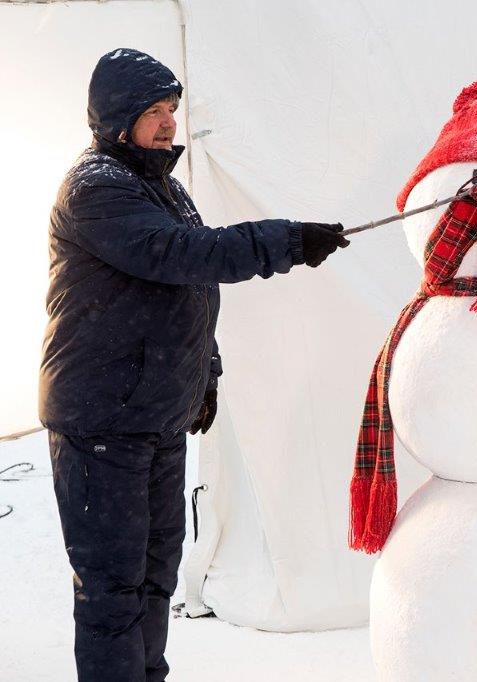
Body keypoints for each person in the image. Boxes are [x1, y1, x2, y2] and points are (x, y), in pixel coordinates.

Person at [39, 48, 348, 681]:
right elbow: (183, 255)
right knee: (112, 589)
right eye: (152, 111)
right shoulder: (96, 187)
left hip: (153, 415)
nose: (168, 123)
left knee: (156, 575)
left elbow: (192, 292)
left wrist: (204, 373)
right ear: (116, 116)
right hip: (101, 421)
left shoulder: (164, 188)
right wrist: (287, 240)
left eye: (171, 110)